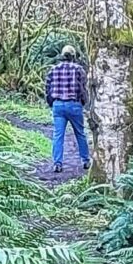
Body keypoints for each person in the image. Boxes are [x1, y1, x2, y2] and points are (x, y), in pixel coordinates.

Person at [44, 42, 90, 172]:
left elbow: (47, 89)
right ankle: (85, 160)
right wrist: (83, 102)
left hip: (58, 105)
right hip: (74, 104)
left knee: (58, 135)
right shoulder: (78, 69)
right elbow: (83, 88)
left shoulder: (53, 69)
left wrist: (51, 102)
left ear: (62, 56)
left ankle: (57, 163)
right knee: (80, 133)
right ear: (73, 56)